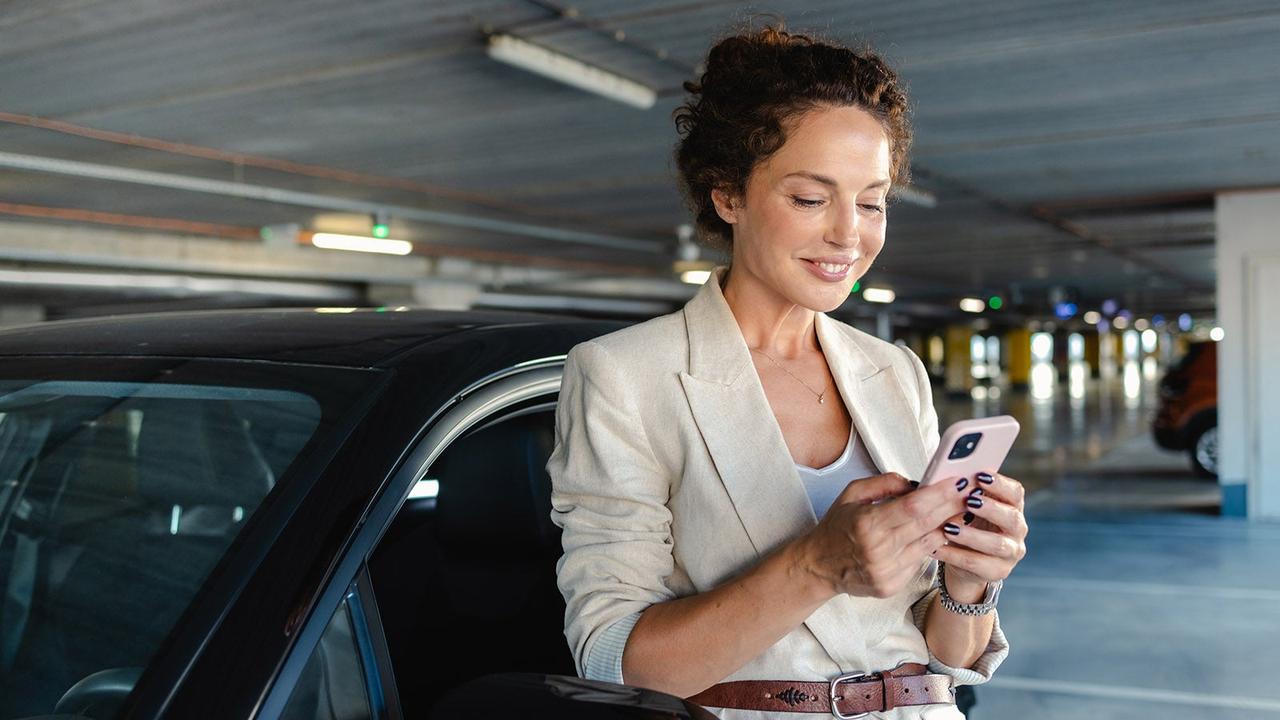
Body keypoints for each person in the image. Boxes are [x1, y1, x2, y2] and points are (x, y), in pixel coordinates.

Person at [548, 24, 1028, 720]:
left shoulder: (894, 372)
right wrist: (816, 564)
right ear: (728, 195)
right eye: (810, 198)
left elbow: (948, 657)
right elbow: (616, 663)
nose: (848, 234)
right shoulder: (624, 375)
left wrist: (970, 579)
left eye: (871, 202)